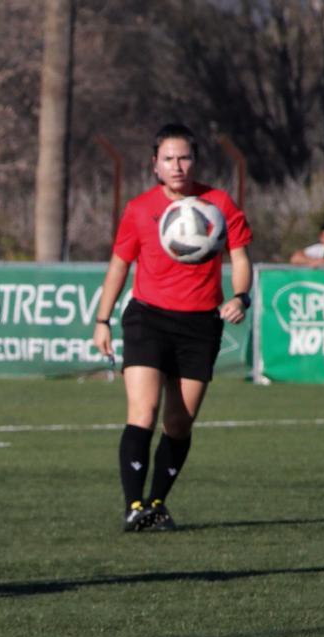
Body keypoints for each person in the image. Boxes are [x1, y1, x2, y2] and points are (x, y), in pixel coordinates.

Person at [93, 123, 252, 532]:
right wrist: (102, 319)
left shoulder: (218, 204)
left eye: (184, 157)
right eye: (169, 159)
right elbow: (118, 265)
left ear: (195, 161)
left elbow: (240, 257)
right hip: (148, 318)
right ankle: (133, 507)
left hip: (201, 324)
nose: (177, 165)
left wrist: (240, 296)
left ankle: (157, 502)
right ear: (155, 165)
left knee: (178, 423)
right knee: (143, 412)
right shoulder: (139, 208)